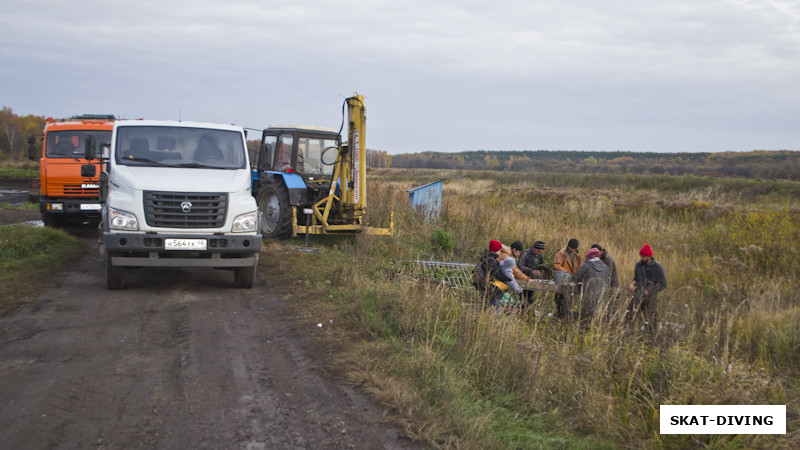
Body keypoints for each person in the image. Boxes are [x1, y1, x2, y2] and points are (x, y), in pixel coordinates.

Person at [627, 244, 667, 336]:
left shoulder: (657, 267)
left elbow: (663, 284)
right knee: (630, 314)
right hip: (638, 295)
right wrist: (632, 284)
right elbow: (636, 278)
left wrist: (650, 291)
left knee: (650, 319)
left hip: (651, 298)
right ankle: (629, 334)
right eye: (640, 256)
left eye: (643, 257)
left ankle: (652, 337)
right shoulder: (638, 265)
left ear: (649, 256)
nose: (641, 258)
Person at [572, 247, 610, 328]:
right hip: (602, 298)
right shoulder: (606, 267)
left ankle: (583, 331)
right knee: (597, 320)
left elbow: (575, 278)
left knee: (585, 319)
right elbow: (607, 281)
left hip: (588, 296)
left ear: (589, 256)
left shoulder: (585, 265)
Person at [473, 240, 513, 309]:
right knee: (496, 312)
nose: (500, 252)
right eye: (499, 250)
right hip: (493, 291)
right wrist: (509, 278)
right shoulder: (491, 261)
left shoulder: (484, 258)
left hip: (484, 289)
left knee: (486, 309)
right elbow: (497, 275)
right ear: (496, 250)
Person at [551, 238, 582, 319]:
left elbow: (580, 266)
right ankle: (559, 315)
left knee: (569, 299)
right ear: (568, 246)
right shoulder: (561, 253)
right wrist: (566, 272)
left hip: (572, 280)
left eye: (574, 248)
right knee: (559, 298)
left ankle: (565, 315)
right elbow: (556, 265)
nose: (573, 250)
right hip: (562, 279)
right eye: (571, 248)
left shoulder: (577, 255)